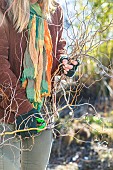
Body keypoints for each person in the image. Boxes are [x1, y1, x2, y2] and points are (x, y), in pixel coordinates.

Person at [0, 0, 79, 169]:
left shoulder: (55, 9)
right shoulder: (4, 8)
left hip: (40, 108)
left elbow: (57, 49)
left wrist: (64, 64)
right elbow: (0, 64)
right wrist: (23, 107)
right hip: (5, 109)